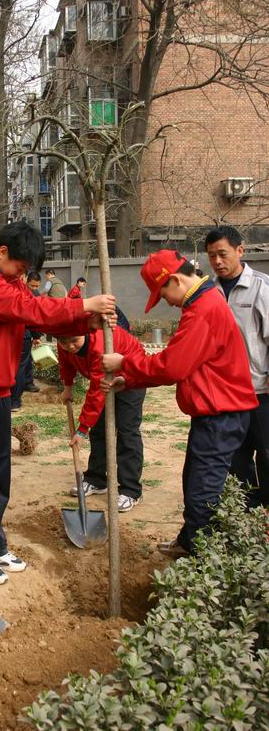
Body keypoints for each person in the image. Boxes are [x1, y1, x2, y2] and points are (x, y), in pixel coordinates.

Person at [0, 221, 115, 585]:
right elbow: (27, 309)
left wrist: (88, 322)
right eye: (20, 268)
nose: (23, 276)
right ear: (1, 253)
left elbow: (33, 317)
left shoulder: (10, 279)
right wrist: (82, 305)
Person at [102, 250, 257, 557]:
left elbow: (172, 367)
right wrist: (129, 380)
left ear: (174, 280)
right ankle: (188, 543)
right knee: (194, 483)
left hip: (220, 416)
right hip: (214, 415)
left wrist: (124, 363)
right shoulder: (202, 304)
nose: (167, 303)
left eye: (163, 295)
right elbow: (180, 363)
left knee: (202, 495)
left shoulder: (202, 310)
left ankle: (202, 565)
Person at [57, 309, 146, 513]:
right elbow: (66, 363)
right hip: (105, 381)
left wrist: (81, 430)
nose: (70, 346)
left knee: (126, 432)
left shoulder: (100, 346)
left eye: (74, 341)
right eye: (64, 342)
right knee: (99, 430)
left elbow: (96, 391)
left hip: (130, 377)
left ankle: (131, 490)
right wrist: (68, 386)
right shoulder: (64, 343)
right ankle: (97, 480)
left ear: (84, 332)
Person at [205, 226, 269, 506]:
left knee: (267, 456)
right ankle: (244, 516)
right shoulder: (210, 292)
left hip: (260, 392)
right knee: (235, 459)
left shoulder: (262, 287)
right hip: (227, 395)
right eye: (211, 256)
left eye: (222, 254)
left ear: (240, 251)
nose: (217, 261)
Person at [11, 272, 42, 410]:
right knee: (19, 368)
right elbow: (32, 317)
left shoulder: (13, 289)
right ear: (24, 279)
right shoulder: (23, 293)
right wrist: (36, 335)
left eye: (37, 286)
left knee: (21, 364)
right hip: (22, 335)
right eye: (32, 285)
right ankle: (15, 401)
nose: (34, 288)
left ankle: (28, 384)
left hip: (18, 335)